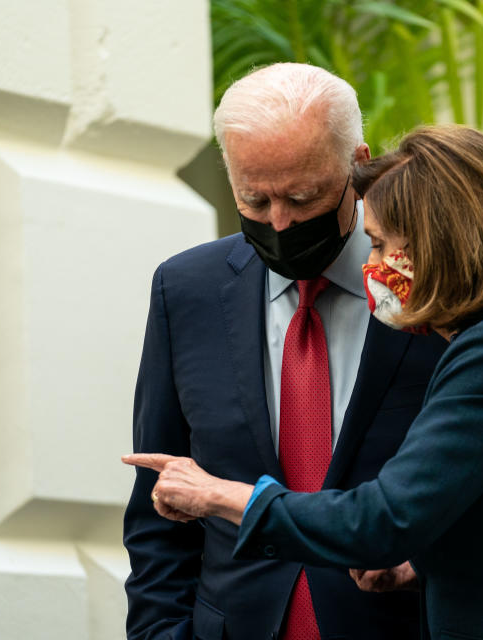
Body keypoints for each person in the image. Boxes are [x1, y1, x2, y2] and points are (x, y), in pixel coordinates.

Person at [125, 125, 483, 639]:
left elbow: (380, 520)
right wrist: (418, 567)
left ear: (438, 246)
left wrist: (217, 494)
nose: (370, 266)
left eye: (378, 245)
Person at [123, 63, 448, 639]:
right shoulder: (186, 290)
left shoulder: (431, 285)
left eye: (303, 196)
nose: (280, 221)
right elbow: (160, 506)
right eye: (254, 200)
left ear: (358, 163)